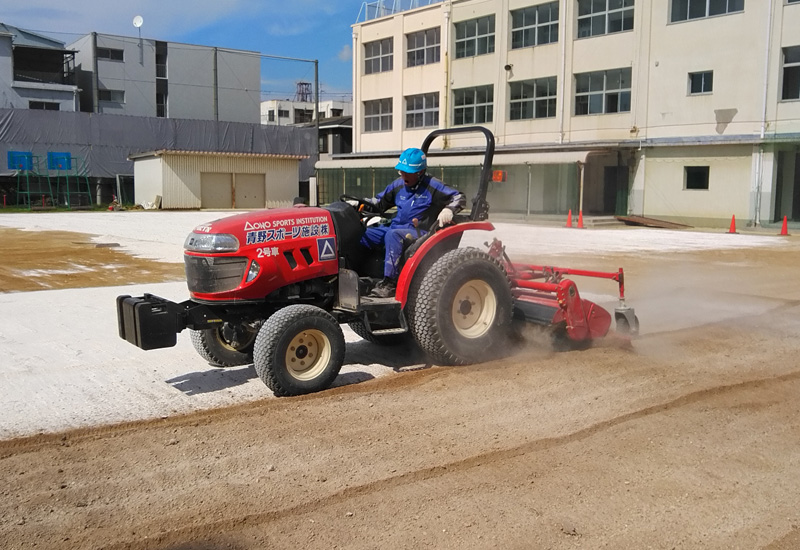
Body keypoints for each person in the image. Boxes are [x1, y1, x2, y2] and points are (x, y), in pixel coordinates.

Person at [358, 147, 465, 298]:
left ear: (420, 172)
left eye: (407, 172)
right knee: (362, 234)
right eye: (401, 171)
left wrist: (449, 210)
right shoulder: (398, 184)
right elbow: (378, 202)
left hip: (419, 231)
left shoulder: (432, 186)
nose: (403, 175)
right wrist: (358, 205)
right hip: (395, 227)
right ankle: (361, 276)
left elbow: (458, 197)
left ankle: (390, 284)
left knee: (393, 236)